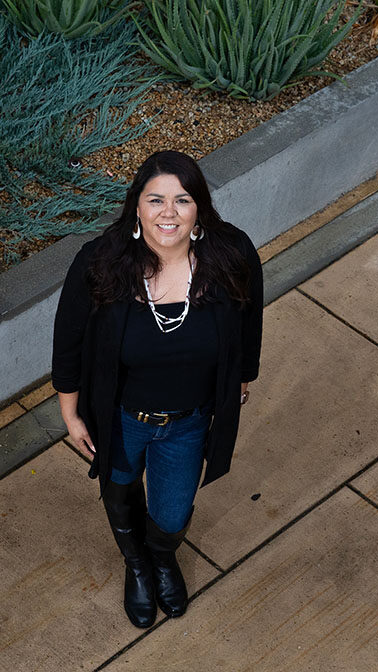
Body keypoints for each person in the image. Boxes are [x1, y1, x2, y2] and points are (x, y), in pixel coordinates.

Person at [52, 150, 263, 628]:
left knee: (171, 514)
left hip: (188, 422)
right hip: (123, 419)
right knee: (121, 494)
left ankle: (162, 558)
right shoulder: (101, 263)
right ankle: (138, 567)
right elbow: (68, 345)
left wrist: (240, 382)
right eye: (156, 200)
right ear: (138, 208)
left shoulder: (232, 256)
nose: (168, 213)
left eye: (182, 200)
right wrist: (71, 415)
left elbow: (249, 327)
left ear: (199, 209)